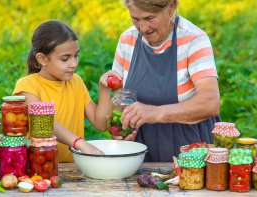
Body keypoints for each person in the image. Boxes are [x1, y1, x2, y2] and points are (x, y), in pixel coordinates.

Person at [103, 0, 221, 162]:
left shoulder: (193, 39)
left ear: (171, 7)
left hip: (189, 150)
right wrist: (123, 127)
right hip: (140, 151)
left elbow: (210, 103)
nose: (143, 28)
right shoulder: (127, 39)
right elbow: (120, 99)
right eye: (136, 19)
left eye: (150, 18)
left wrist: (154, 113)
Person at [13, 20, 119, 162]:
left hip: (71, 170)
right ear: (42, 59)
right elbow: (44, 122)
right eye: (65, 58)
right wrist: (79, 143)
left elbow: (100, 123)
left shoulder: (76, 82)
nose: (73, 64)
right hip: (37, 170)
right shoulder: (27, 86)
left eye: (76, 55)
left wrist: (104, 90)